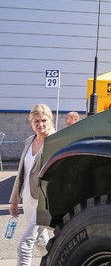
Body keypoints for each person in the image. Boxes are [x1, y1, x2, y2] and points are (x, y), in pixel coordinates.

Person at [9, 103, 54, 266]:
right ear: (30, 122)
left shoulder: (56, 141)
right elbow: (22, 171)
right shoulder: (29, 140)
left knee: (24, 246)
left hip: (44, 202)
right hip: (27, 199)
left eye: (44, 120)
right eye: (36, 121)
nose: (40, 125)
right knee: (42, 245)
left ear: (51, 119)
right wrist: (14, 199)